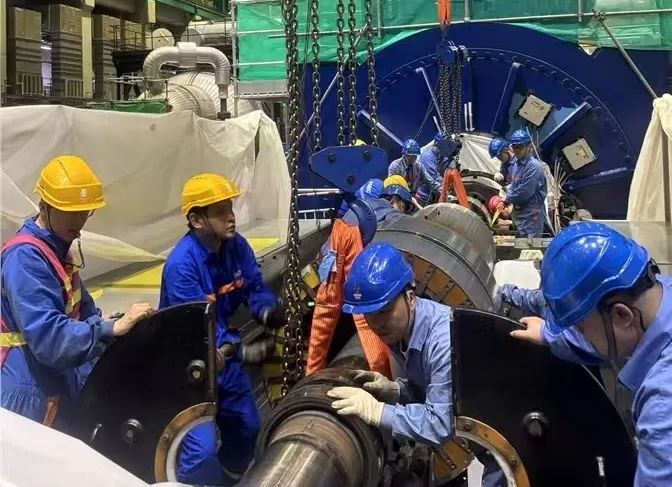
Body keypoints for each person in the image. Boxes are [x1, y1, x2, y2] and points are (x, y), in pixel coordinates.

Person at [508, 222, 672, 486]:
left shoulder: (669, 412)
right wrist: (548, 335)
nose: (579, 335)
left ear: (621, 314)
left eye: (580, 328)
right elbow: (606, 337)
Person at [0, 155, 153, 429]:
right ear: (44, 206)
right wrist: (108, 329)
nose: (79, 220)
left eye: (85, 211)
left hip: (52, 382)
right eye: (70, 211)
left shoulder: (56, 250)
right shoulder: (26, 259)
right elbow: (49, 339)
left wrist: (115, 321)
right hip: (28, 393)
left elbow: (84, 313)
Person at [159, 173, 284, 485]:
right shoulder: (182, 266)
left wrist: (266, 309)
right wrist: (243, 351)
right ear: (196, 220)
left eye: (230, 207)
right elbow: (200, 331)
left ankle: (230, 478)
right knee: (200, 453)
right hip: (190, 365)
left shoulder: (236, 246)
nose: (231, 216)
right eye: (220, 211)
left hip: (224, 360)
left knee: (247, 427)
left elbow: (253, 286)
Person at [327, 242, 452, 447]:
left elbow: (440, 424)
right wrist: (397, 391)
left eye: (384, 311)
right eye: (368, 314)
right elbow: (427, 388)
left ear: (410, 298)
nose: (377, 324)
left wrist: (377, 411)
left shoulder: (442, 342)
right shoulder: (402, 331)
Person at [306, 178, 405, 377]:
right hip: (350, 272)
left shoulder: (347, 221)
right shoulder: (390, 216)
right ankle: (382, 375)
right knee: (365, 311)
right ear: (393, 200)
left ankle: (312, 371)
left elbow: (325, 265)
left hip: (331, 271)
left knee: (329, 312)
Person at [498, 128, 546, 238]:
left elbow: (525, 191)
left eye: (519, 147)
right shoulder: (517, 164)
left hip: (531, 217)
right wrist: (506, 191)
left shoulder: (534, 166)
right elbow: (515, 184)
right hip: (520, 216)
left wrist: (507, 199)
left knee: (531, 245)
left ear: (528, 146)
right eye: (514, 146)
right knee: (521, 245)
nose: (516, 150)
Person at [388, 139, 440, 206]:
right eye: (409, 156)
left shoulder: (418, 166)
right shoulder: (395, 166)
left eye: (414, 156)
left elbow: (429, 181)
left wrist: (441, 189)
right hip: (398, 198)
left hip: (413, 197)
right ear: (404, 154)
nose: (412, 158)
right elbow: (392, 187)